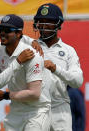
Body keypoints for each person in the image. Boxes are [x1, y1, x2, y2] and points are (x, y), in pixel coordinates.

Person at [0, 14, 54, 131]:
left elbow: (35, 94)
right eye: (1, 29)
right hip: (16, 109)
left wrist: (4, 95)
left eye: (7, 30)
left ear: (19, 33)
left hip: (36, 111)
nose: (2, 33)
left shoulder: (31, 55)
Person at [33, 3, 84, 131]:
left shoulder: (68, 51)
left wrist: (56, 69)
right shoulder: (29, 47)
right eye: (41, 21)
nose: (44, 26)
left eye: (49, 21)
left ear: (58, 24)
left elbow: (77, 81)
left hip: (60, 108)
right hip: (35, 109)